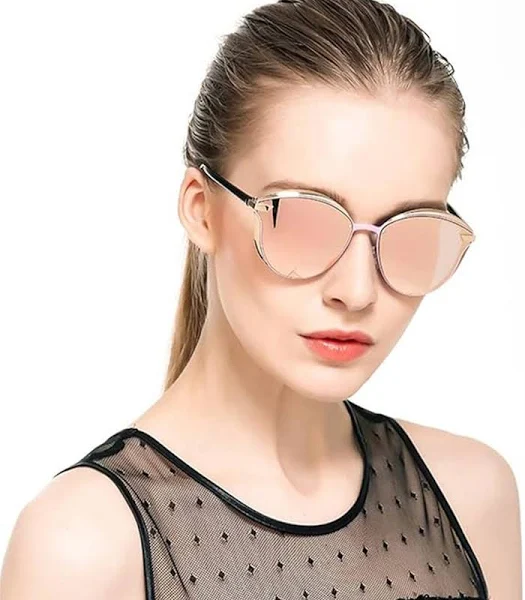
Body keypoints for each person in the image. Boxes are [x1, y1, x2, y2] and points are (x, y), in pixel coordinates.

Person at [0, 0, 521, 599]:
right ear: (202, 209)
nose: (356, 291)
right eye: (303, 220)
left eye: (410, 231)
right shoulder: (84, 547)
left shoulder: (472, 497)